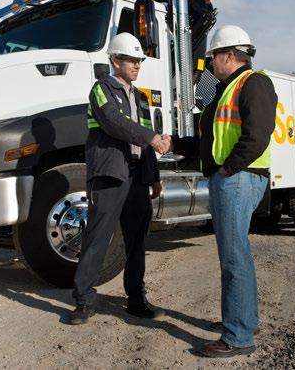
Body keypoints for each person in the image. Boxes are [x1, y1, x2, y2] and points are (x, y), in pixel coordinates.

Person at [172, 25, 277, 357]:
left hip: (239, 177)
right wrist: (173, 143)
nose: (209, 63)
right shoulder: (225, 89)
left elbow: (258, 134)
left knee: (234, 257)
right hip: (233, 177)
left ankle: (239, 336)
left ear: (229, 55)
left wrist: (227, 170)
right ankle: (243, 319)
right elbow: (210, 141)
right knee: (236, 254)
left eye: (213, 57)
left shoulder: (253, 82)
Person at [69, 32, 170, 325]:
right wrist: (152, 138)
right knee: (98, 237)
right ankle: (83, 301)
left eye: (139, 60)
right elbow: (115, 123)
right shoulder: (101, 89)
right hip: (111, 173)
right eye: (131, 60)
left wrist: (153, 176)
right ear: (115, 60)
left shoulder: (141, 97)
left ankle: (136, 300)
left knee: (137, 240)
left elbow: (146, 139)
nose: (137, 65)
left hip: (138, 175)